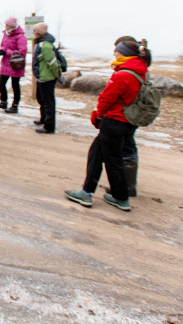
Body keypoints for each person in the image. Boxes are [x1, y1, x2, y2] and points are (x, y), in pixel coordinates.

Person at [65, 40, 152, 212]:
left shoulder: (122, 75)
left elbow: (106, 98)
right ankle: (87, 192)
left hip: (114, 121)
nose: (114, 53)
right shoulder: (140, 71)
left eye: (117, 51)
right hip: (128, 121)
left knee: (113, 161)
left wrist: (98, 115)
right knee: (96, 154)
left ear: (125, 54)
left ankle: (121, 198)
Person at [109, 35, 150, 196]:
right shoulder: (140, 67)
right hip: (133, 114)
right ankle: (125, 184)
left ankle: (125, 187)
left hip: (125, 114)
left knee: (125, 148)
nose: (114, 53)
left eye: (117, 50)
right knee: (127, 146)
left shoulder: (129, 71)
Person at [32, 23, 61, 134]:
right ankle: (44, 118)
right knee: (41, 99)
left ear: (40, 33)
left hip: (47, 78)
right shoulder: (40, 43)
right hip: (42, 76)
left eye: (35, 31)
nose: (33, 33)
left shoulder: (45, 46)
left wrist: (57, 76)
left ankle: (49, 126)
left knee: (48, 102)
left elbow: (53, 63)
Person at [0, 17, 27, 114]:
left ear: (12, 26)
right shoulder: (6, 34)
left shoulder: (20, 37)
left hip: (15, 64)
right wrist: (1, 50)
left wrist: (7, 52)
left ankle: (15, 106)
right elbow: (3, 45)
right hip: (5, 63)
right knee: (1, 83)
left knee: (15, 85)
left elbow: (22, 51)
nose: (5, 26)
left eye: (7, 25)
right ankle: (3, 101)